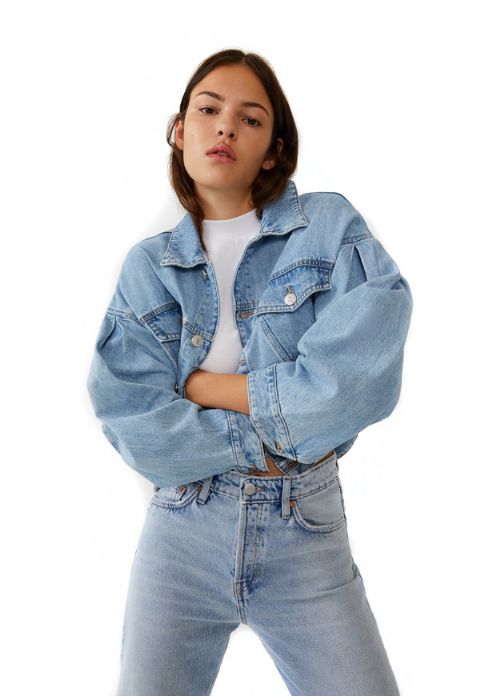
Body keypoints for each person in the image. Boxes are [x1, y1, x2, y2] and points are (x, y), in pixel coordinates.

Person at [86, 48, 413, 696]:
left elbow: (358, 381)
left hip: (305, 529)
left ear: (273, 150)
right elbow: (134, 422)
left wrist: (201, 388)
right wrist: (274, 430)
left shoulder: (328, 228)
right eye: (208, 110)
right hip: (182, 534)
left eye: (251, 118)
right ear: (180, 131)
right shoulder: (148, 268)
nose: (225, 127)